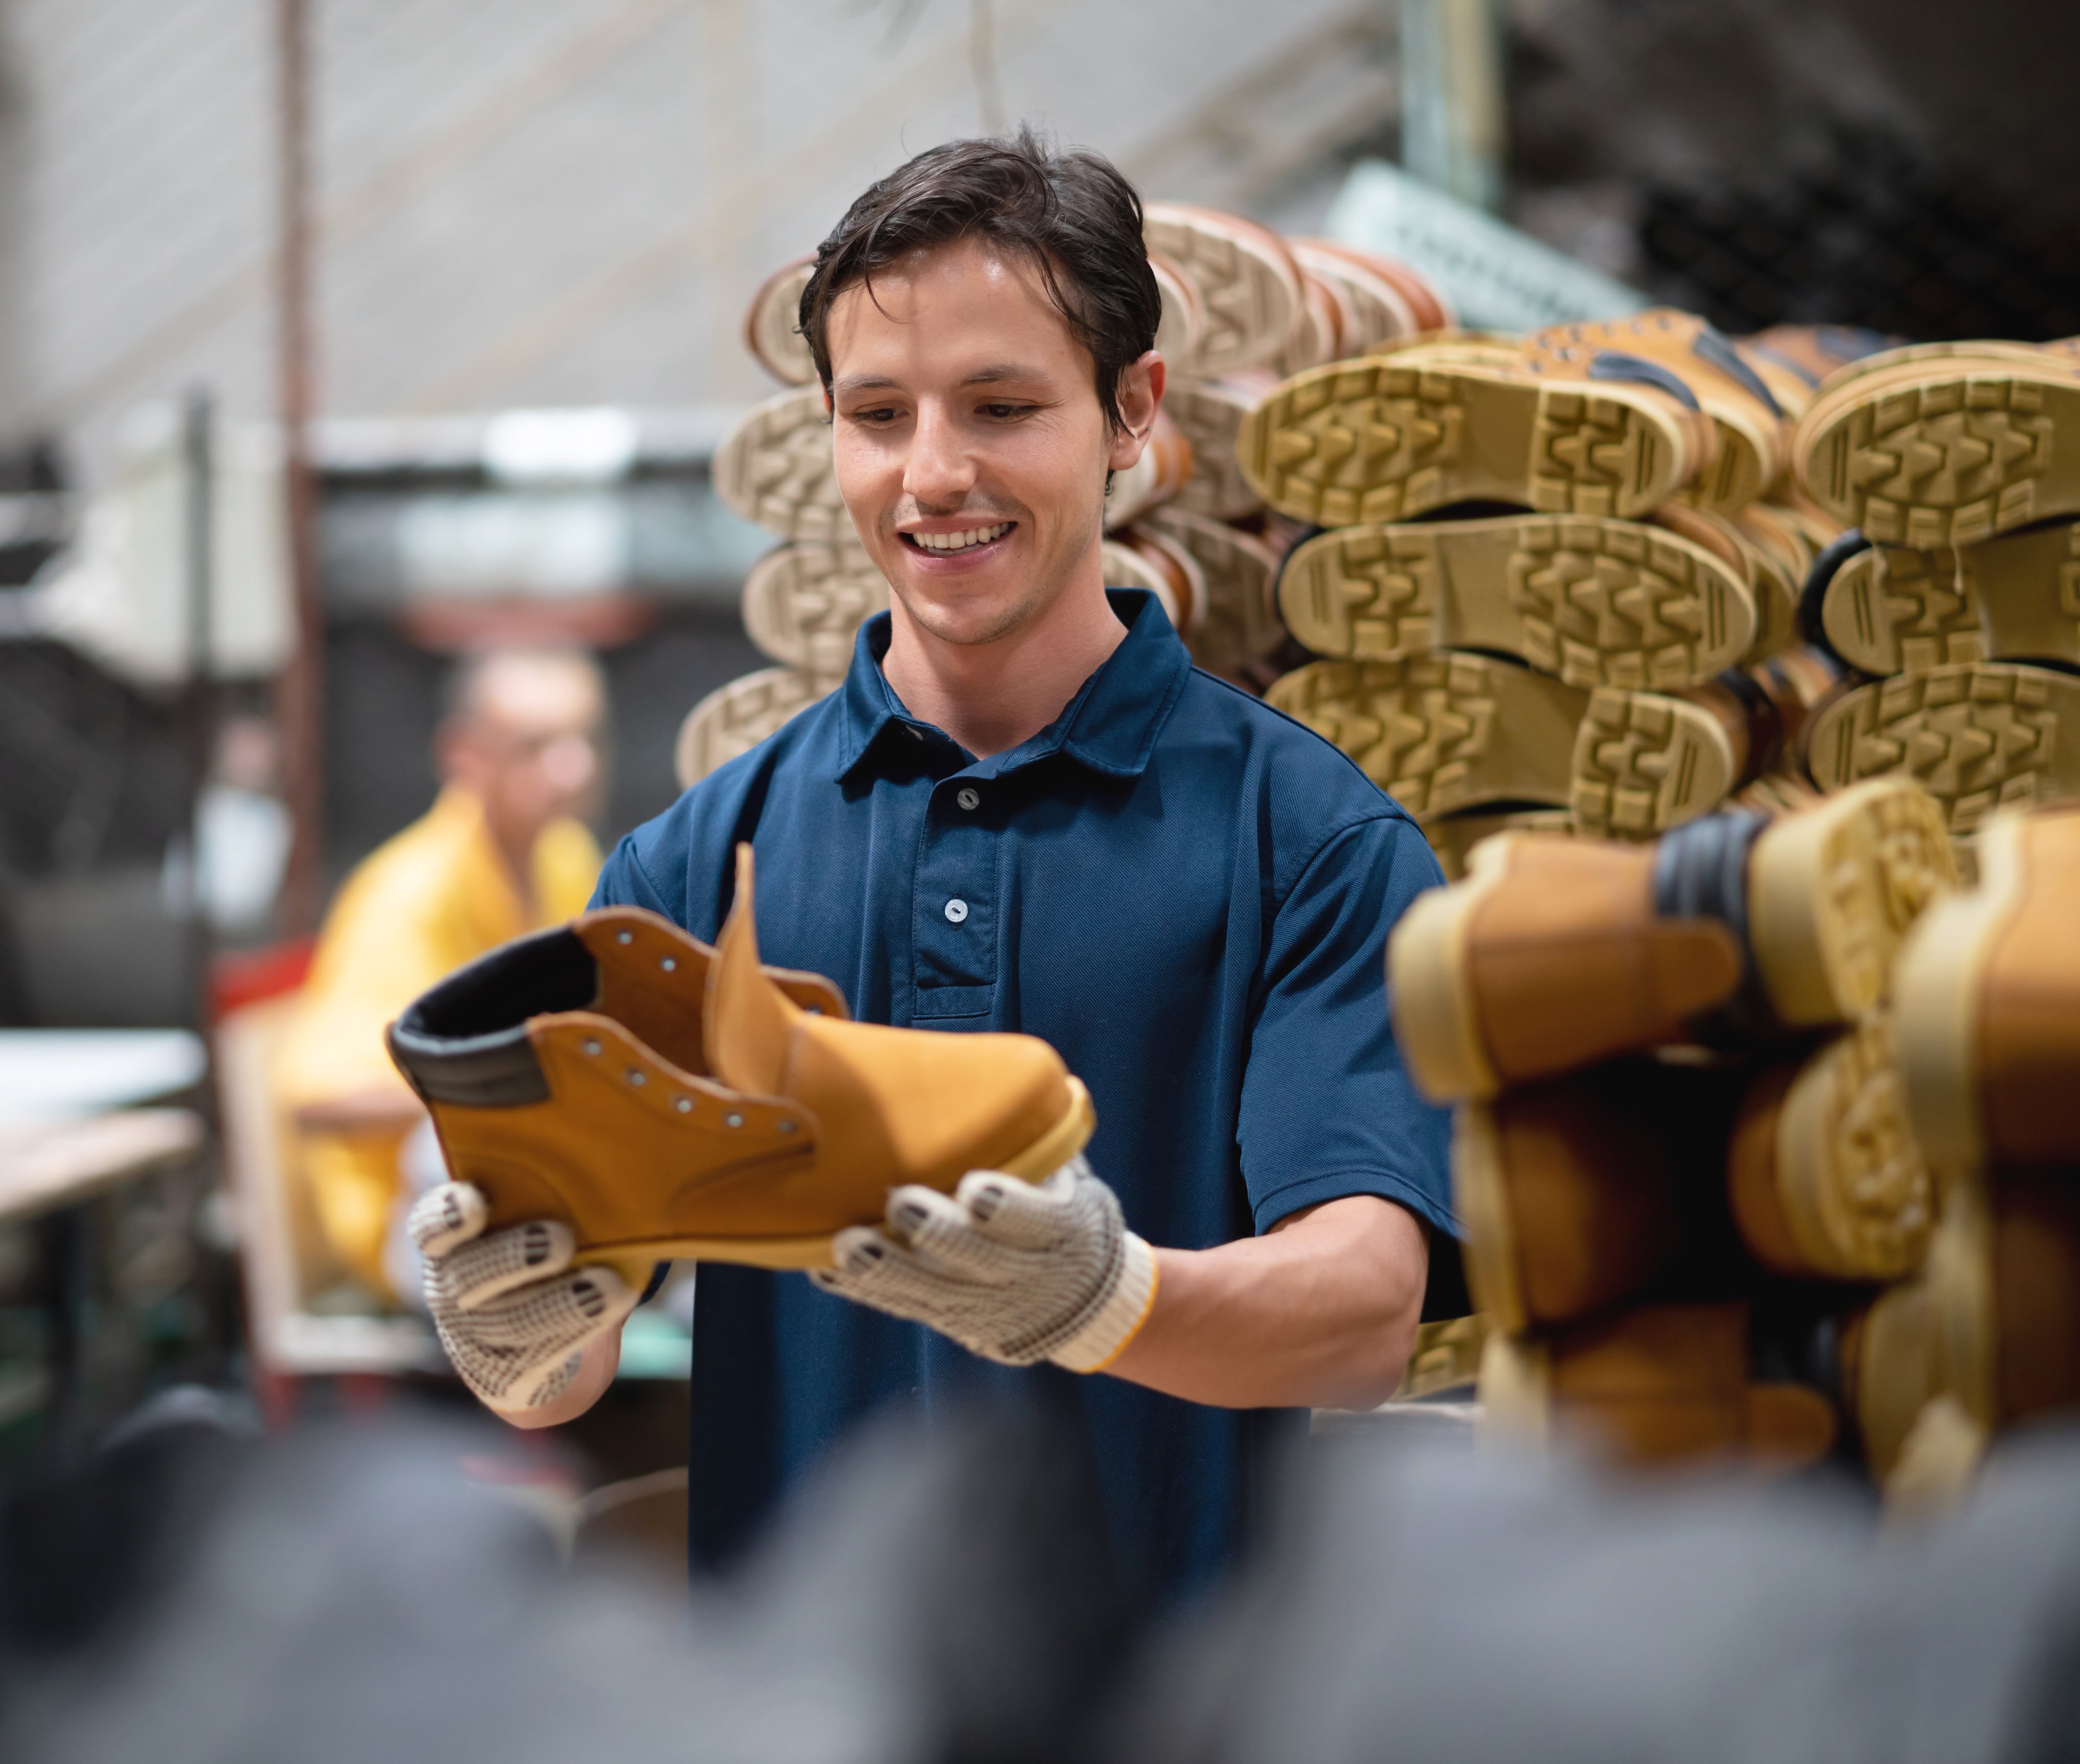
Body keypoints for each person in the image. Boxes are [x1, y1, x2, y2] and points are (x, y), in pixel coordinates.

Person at [410, 132, 1453, 1605]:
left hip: (1172, 1708)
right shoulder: (694, 864)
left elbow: (1362, 1317)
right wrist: (512, 1328)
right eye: (878, 414)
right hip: (811, 1710)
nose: (933, 473)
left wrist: (1105, 1297)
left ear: (1131, 415)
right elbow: (567, 1367)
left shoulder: (1311, 843)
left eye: (1003, 406)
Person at [274, 646, 605, 1301]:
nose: (574, 768)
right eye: (535, 746)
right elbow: (314, 1098)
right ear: (465, 755)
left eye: (584, 738)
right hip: (417, 1226)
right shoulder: (408, 894)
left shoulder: (567, 858)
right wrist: (512, 1088)